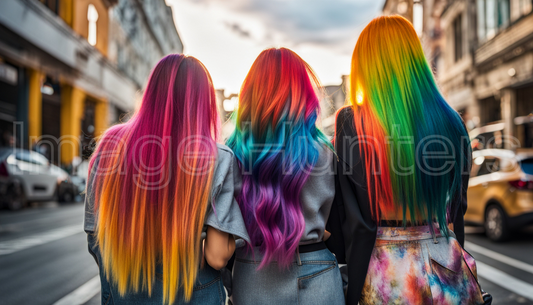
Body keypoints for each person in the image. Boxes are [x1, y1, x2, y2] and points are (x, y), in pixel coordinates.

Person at [326, 16, 487, 305]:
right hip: (446, 263)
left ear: (366, 64)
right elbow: (458, 207)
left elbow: (348, 216)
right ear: (416, 60)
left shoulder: (351, 122)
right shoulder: (452, 121)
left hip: (387, 273)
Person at [84, 54, 249, 305]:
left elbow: (95, 236)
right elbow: (217, 256)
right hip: (196, 290)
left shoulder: (110, 146)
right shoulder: (217, 157)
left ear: (151, 92)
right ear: (203, 102)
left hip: (126, 288)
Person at [227, 48, 344, 305]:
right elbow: (336, 220)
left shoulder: (233, 154)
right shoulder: (324, 152)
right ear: (303, 94)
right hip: (317, 270)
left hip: (253, 272)